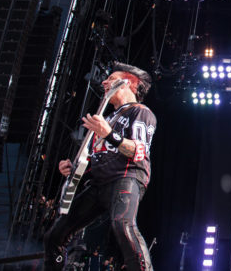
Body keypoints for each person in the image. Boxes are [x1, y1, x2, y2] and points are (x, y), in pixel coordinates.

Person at [44, 62, 156, 270]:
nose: (104, 82)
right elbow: (97, 156)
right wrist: (72, 167)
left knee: (122, 225)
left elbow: (140, 152)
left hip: (126, 176)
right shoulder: (106, 118)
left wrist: (110, 135)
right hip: (98, 183)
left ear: (130, 82)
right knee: (56, 234)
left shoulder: (140, 112)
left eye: (111, 79)